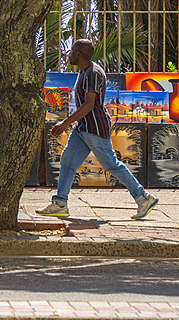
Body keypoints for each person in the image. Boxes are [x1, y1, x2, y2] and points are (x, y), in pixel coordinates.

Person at [37, 39, 159, 220]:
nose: (69, 54)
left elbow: (89, 105)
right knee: (68, 162)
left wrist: (64, 123)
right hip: (82, 128)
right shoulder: (84, 72)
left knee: (111, 164)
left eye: (71, 51)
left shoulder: (92, 73)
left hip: (94, 128)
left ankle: (143, 198)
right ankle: (60, 203)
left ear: (79, 54)